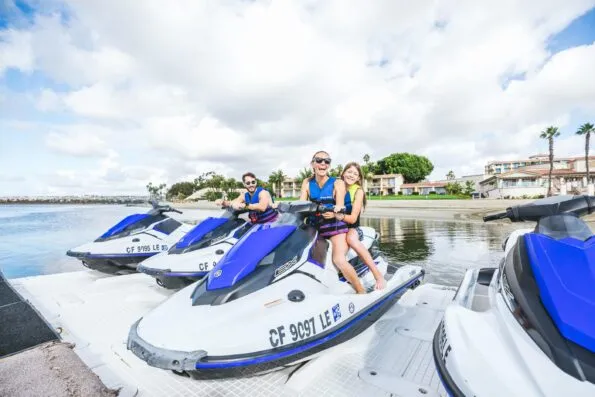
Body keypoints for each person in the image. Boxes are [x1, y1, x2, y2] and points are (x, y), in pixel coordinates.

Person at [299, 151, 366, 294]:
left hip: (335, 228)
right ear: (313, 164)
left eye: (326, 161)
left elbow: (341, 206)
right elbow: (301, 205)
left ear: (329, 165)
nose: (323, 163)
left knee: (339, 260)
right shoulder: (306, 183)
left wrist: (335, 212)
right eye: (319, 160)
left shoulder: (338, 183)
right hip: (315, 228)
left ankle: (361, 291)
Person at [338, 162, 386, 291]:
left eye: (355, 174)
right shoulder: (336, 186)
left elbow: (353, 218)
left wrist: (339, 216)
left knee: (351, 239)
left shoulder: (358, 192)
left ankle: (378, 275)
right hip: (335, 227)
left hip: (351, 227)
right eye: (349, 172)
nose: (351, 175)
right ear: (343, 173)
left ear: (359, 178)